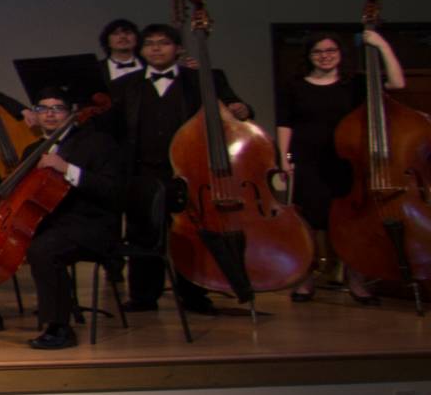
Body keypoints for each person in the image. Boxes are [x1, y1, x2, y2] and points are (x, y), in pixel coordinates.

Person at [110, 21, 250, 314]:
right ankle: (143, 297)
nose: (156, 48)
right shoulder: (125, 85)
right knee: (143, 233)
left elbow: (236, 109)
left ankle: (195, 296)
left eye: (163, 43)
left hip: (189, 173)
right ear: (141, 50)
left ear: (177, 48)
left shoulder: (201, 79)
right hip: (143, 172)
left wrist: (241, 108)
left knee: (192, 236)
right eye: (150, 44)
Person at [275, 27, 406, 301]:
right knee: (308, 223)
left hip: (347, 161)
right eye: (318, 52)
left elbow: (397, 83)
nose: (325, 56)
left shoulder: (356, 84)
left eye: (331, 50)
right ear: (309, 56)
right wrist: (283, 158)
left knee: (352, 223)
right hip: (308, 161)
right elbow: (285, 123)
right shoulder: (294, 85)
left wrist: (381, 45)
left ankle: (356, 279)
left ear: (340, 54)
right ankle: (305, 279)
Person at [21, 84, 131, 350]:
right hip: (52, 224)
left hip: (92, 225)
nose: (49, 114)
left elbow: (113, 190)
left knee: (44, 250)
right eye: (42, 109)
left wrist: (67, 168)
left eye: (57, 109)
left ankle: (60, 328)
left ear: (71, 113)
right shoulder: (32, 151)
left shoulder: (96, 142)